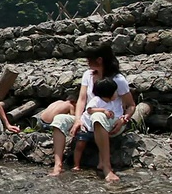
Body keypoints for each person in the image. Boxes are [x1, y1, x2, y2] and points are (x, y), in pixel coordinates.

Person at [48, 45, 136, 182]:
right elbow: (82, 99)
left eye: (89, 60)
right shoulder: (87, 75)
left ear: (99, 60)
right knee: (59, 119)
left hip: (112, 121)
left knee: (98, 116)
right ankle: (57, 165)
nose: (87, 63)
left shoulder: (118, 79)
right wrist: (77, 119)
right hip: (87, 118)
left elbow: (131, 105)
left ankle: (107, 167)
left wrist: (124, 119)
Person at [73, 78, 124, 171]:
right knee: (80, 145)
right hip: (86, 127)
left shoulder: (111, 103)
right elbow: (90, 109)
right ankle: (76, 164)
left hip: (98, 129)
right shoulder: (97, 100)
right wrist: (103, 110)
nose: (117, 94)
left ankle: (101, 163)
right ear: (109, 94)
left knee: (102, 145)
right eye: (115, 92)